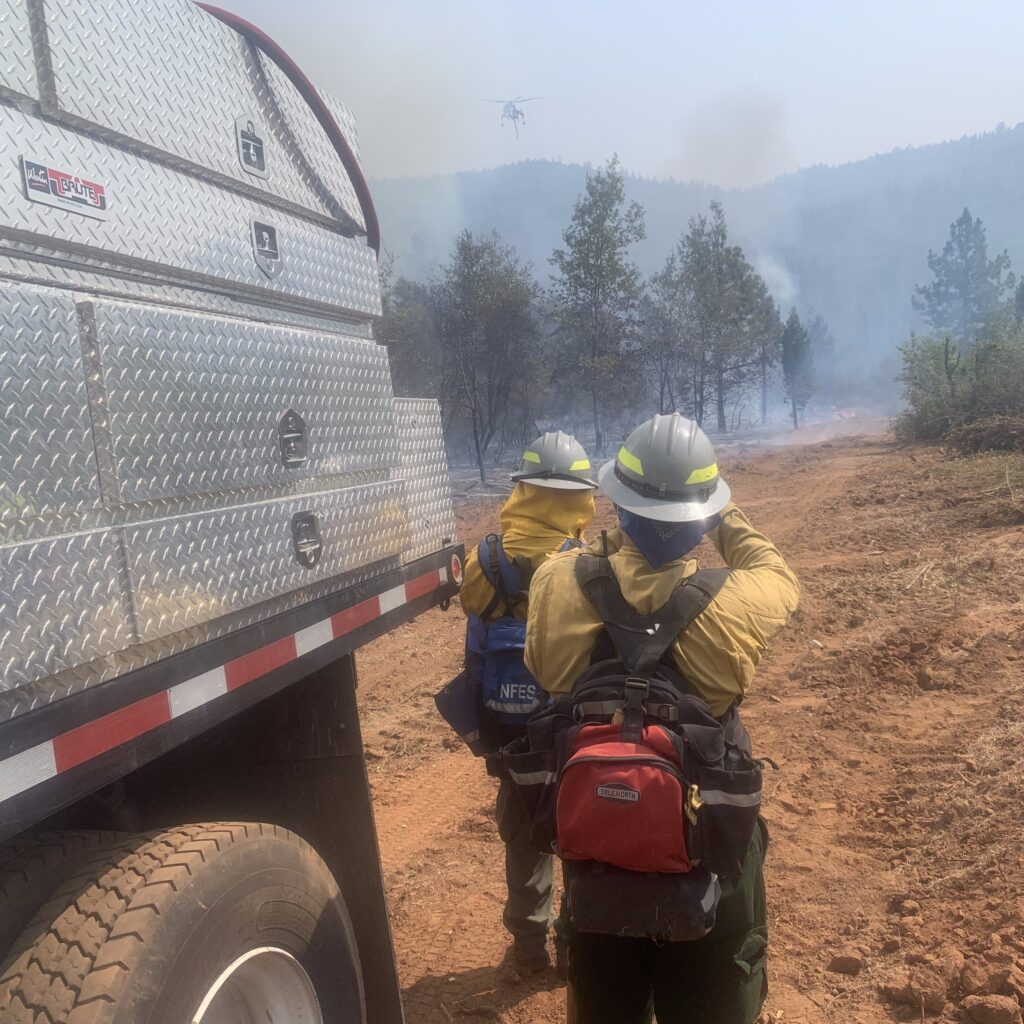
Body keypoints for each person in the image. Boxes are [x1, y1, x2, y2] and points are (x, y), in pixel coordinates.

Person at [524, 413, 799, 1023]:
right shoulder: (740, 601)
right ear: (700, 518)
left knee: (602, 996)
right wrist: (721, 514)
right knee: (717, 983)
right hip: (705, 843)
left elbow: (545, 675)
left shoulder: (553, 583)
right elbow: (778, 572)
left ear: (615, 506)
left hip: (598, 839)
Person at [458, 431, 598, 973]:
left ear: (523, 492)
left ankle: (526, 948)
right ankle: (573, 944)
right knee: (583, 832)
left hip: (509, 728)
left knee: (523, 836)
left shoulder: (485, 559)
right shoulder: (585, 564)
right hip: (571, 727)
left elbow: (473, 609)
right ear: (578, 499)